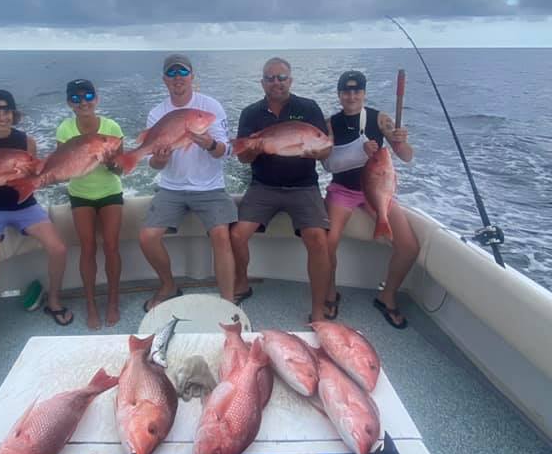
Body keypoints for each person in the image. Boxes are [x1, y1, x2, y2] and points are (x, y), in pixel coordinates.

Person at [0, 89, 73, 354]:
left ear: (14, 113)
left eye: (8, 111)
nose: (3, 116)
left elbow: (31, 182)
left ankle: (54, 302)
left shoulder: (27, 142)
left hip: (23, 205)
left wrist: (40, 177)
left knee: (58, 249)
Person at [230, 57, 332, 322]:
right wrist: (251, 150)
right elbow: (243, 158)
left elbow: (326, 149)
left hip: (303, 187)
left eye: (281, 77)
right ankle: (242, 283)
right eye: (270, 78)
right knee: (238, 235)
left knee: (319, 240)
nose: (276, 82)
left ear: (291, 79)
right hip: (264, 186)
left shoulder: (308, 108)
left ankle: (318, 311)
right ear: (262, 82)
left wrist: (315, 151)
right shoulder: (251, 113)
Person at [139, 54, 237, 309]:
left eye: (182, 72)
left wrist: (210, 144)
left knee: (221, 236)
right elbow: (152, 164)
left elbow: (226, 151)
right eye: (171, 74)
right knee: (147, 237)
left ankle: (227, 301)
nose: (177, 78)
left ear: (192, 77)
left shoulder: (210, 108)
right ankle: (168, 286)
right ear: (164, 80)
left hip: (210, 187)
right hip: (171, 187)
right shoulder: (157, 113)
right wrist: (160, 159)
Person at [325, 70, 419, 329]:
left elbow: (406, 157)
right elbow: (328, 163)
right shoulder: (331, 123)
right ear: (339, 95)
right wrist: (357, 152)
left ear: (364, 93)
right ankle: (331, 293)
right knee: (327, 243)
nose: (351, 96)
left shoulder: (380, 120)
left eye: (357, 91)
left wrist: (401, 141)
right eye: (346, 91)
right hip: (342, 190)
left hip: (377, 191)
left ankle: (386, 296)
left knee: (409, 246)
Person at [56, 79, 124, 330]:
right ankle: (91, 304)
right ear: (69, 104)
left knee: (111, 246)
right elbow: (60, 166)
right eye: (76, 98)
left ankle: (113, 301)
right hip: (80, 194)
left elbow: (121, 171)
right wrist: (49, 176)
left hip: (109, 192)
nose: (83, 102)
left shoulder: (111, 128)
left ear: (96, 99)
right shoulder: (64, 130)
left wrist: (109, 162)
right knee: (87, 248)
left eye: (88, 96)